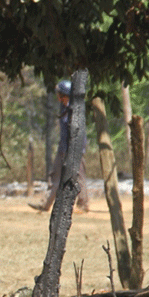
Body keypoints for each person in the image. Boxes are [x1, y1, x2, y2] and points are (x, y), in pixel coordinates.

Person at [29, 78, 89, 213]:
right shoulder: (63, 107)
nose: (57, 97)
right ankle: (45, 204)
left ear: (65, 95)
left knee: (78, 177)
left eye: (59, 94)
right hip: (63, 148)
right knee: (55, 176)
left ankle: (83, 205)